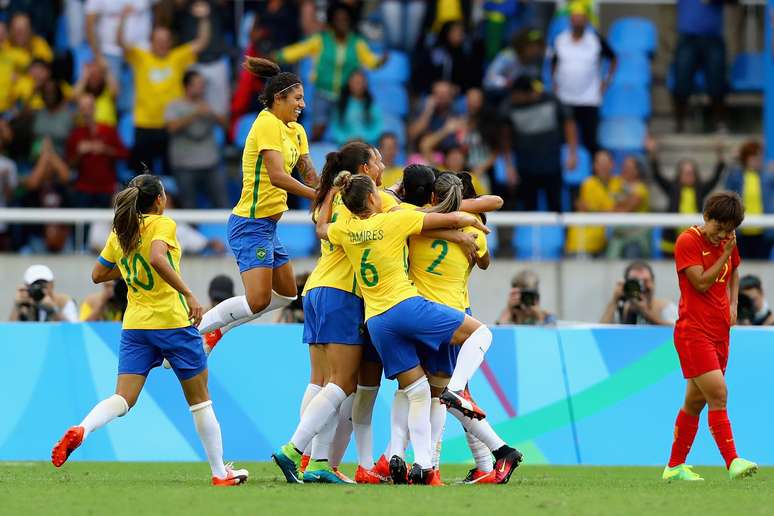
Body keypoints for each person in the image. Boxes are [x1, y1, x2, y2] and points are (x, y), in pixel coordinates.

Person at [274, 171, 494, 486]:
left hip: (375, 321)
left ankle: (295, 450)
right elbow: (445, 217)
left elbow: (321, 227)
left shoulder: (346, 229)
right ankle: (453, 401)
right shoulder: (394, 221)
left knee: (413, 389)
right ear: (374, 198)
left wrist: (329, 198)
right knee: (480, 334)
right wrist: (470, 223)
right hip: (405, 308)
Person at [50, 174, 249, 486]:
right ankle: (219, 472)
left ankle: (82, 429)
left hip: (135, 327)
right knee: (200, 401)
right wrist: (188, 293)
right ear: (159, 200)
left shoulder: (121, 232)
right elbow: (157, 258)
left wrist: (129, 261)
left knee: (123, 399)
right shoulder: (162, 224)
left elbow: (98, 274)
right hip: (171, 322)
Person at [396, 171, 522, 485]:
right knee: (447, 394)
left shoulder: (418, 225)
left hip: (426, 315)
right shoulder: (474, 231)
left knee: (432, 395)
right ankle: (476, 463)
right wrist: (464, 222)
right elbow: (484, 261)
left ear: (435, 198)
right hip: (457, 313)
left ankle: (431, 466)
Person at [291, 141, 397, 485]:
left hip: (315, 288)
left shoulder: (330, 197)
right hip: (344, 293)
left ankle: (307, 456)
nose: (382, 166)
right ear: (364, 170)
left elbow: (322, 227)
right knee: (342, 384)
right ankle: (308, 456)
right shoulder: (365, 203)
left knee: (318, 381)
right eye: (378, 161)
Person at [195, 58, 317, 352]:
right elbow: (277, 176)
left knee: (288, 294)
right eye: (297, 98)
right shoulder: (266, 123)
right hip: (250, 225)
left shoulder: (296, 131)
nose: (302, 104)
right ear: (279, 98)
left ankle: (214, 332)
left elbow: (310, 174)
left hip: (268, 228)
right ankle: (190, 332)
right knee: (258, 300)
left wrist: (336, 188)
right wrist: (318, 197)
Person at [663, 191, 757, 481]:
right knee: (718, 393)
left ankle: (674, 467)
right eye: (719, 227)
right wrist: (726, 254)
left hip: (720, 332)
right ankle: (732, 462)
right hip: (694, 332)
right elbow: (701, 283)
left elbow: (734, 272)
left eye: (730, 230)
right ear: (707, 218)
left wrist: (733, 303)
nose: (723, 235)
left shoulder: (728, 241)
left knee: (694, 402)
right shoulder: (688, 241)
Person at [118, 1, 211, 175]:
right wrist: (123, 19)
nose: (162, 44)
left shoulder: (177, 57)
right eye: (158, 40)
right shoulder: (141, 56)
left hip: (170, 126)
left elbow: (202, 42)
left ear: (170, 42)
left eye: (165, 40)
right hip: (144, 124)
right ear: (151, 42)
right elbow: (121, 42)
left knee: (170, 175)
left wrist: (204, 18)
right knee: (143, 176)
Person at [276, 3, 385, 141]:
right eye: (338, 20)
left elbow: (370, 60)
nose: (341, 24)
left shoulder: (357, 43)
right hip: (323, 93)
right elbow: (299, 50)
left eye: (345, 20)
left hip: (345, 96)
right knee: (318, 130)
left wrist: (379, 62)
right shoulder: (321, 40)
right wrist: (279, 56)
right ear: (331, 21)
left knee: (344, 131)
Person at [500, 75, 577, 213]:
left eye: (516, 95)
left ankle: (558, 234)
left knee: (556, 207)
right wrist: (509, 166)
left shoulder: (551, 101)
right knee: (528, 209)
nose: (513, 98)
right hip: (525, 168)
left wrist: (572, 154)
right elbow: (505, 138)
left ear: (525, 93)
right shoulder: (509, 107)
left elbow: (569, 124)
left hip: (552, 165)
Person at [551, 2, 615, 154]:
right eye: (575, 17)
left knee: (590, 141)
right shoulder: (560, 40)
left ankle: (593, 174)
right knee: (562, 141)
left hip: (589, 99)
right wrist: (554, 83)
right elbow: (553, 63)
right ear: (570, 20)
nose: (578, 21)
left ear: (586, 20)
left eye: (581, 18)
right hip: (565, 98)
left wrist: (606, 81)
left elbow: (613, 58)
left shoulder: (596, 40)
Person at [646, 136, 725, 256]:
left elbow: (715, 177)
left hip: (695, 242)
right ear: (679, 174)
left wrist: (719, 153)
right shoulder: (672, 188)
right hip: (672, 242)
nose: (688, 175)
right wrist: (653, 152)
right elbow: (657, 174)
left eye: (691, 173)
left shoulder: (700, 189)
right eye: (685, 173)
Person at [164, 70, 229, 209]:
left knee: (223, 205)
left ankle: (227, 231)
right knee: (189, 207)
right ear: (187, 86)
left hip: (211, 163)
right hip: (185, 165)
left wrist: (213, 114)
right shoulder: (174, 105)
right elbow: (171, 128)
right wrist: (195, 114)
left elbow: (227, 126)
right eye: (198, 85)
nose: (202, 88)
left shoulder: (209, 104)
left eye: (202, 85)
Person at [85, 0, 155, 110]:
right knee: (113, 95)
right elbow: (89, 25)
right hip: (110, 51)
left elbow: (163, 10)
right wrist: (98, 56)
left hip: (141, 51)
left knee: (141, 97)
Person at [673, 0, 728, 132]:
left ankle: (719, 123)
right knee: (681, 78)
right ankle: (680, 125)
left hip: (713, 37)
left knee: (717, 80)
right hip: (688, 36)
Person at [67, 93, 128, 208]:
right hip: (83, 189)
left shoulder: (108, 130)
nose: (86, 111)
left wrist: (105, 149)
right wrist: (80, 153)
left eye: (89, 107)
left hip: (107, 188)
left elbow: (124, 154)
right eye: (83, 108)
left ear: (94, 108)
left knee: (110, 223)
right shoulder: (75, 134)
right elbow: (70, 164)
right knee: (81, 224)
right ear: (79, 110)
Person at [172, 0, 231, 117]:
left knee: (220, 109)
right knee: (188, 107)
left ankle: (218, 135)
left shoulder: (214, 5)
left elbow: (226, 8)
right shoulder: (185, 7)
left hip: (216, 61)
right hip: (192, 62)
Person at [723, 140, 774, 259]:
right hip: (740, 231)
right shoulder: (736, 176)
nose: (758, 160)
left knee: (761, 266)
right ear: (746, 159)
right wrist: (733, 160)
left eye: (759, 157)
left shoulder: (767, 177)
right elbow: (727, 185)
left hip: (763, 232)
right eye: (754, 157)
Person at [565, 150, 616, 257]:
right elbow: (594, 209)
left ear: (612, 164)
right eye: (599, 163)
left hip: (603, 243)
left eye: (605, 163)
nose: (603, 167)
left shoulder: (618, 183)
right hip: (582, 244)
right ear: (594, 166)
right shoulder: (588, 184)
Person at [412, 20, 484, 95]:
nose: (460, 35)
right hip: (432, 94)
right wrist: (433, 87)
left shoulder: (466, 55)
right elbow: (420, 77)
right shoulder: (432, 52)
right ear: (447, 33)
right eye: (455, 32)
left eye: (461, 32)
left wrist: (458, 89)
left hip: (458, 96)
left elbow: (473, 80)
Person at [600, 261, 679, 325]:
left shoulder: (666, 308)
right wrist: (614, 301)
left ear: (653, 282)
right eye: (635, 282)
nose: (641, 286)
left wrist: (645, 312)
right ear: (626, 285)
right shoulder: (620, 307)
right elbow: (600, 333)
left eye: (645, 281)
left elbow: (676, 332)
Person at [483, 28, 545, 103]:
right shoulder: (507, 57)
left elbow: (537, 84)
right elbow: (488, 80)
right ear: (522, 45)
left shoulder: (535, 64)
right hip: (498, 98)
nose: (535, 50)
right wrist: (506, 83)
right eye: (531, 46)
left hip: (522, 102)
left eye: (538, 46)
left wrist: (537, 90)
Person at [606, 156, 651, 259]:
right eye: (623, 166)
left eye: (628, 167)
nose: (624, 170)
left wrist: (615, 207)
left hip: (636, 236)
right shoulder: (618, 185)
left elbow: (627, 208)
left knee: (631, 263)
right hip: (618, 235)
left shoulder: (641, 189)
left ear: (636, 171)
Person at [329, 70, 384, 146]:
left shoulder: (371, 104)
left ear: (365, 84)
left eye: (360, 82)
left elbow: (378, 126)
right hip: (345, 147)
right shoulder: (341, 104)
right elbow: (335, 127)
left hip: (367, 146)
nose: (357, 85)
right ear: (349, 83)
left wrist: (365, 138)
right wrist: (346, 140)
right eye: (354, 82)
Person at [10, 264, 78, 322]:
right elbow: (9, 333)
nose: (40, 289)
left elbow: (73, 330)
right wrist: (16, 306)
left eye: (44, 284)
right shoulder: (24, 305)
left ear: (52, 284)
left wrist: (53, 310)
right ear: (26, 286)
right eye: (35, 285)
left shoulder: (64, 301)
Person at [72, 61, 119, 128]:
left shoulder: (108, 91)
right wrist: (84, 78)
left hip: (106, 132)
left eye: (97, 74)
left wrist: (106, 71)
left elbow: (115, 92)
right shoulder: (82, 92)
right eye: (92, 75)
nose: (94, 78)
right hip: (85, 132)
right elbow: (73, 97)